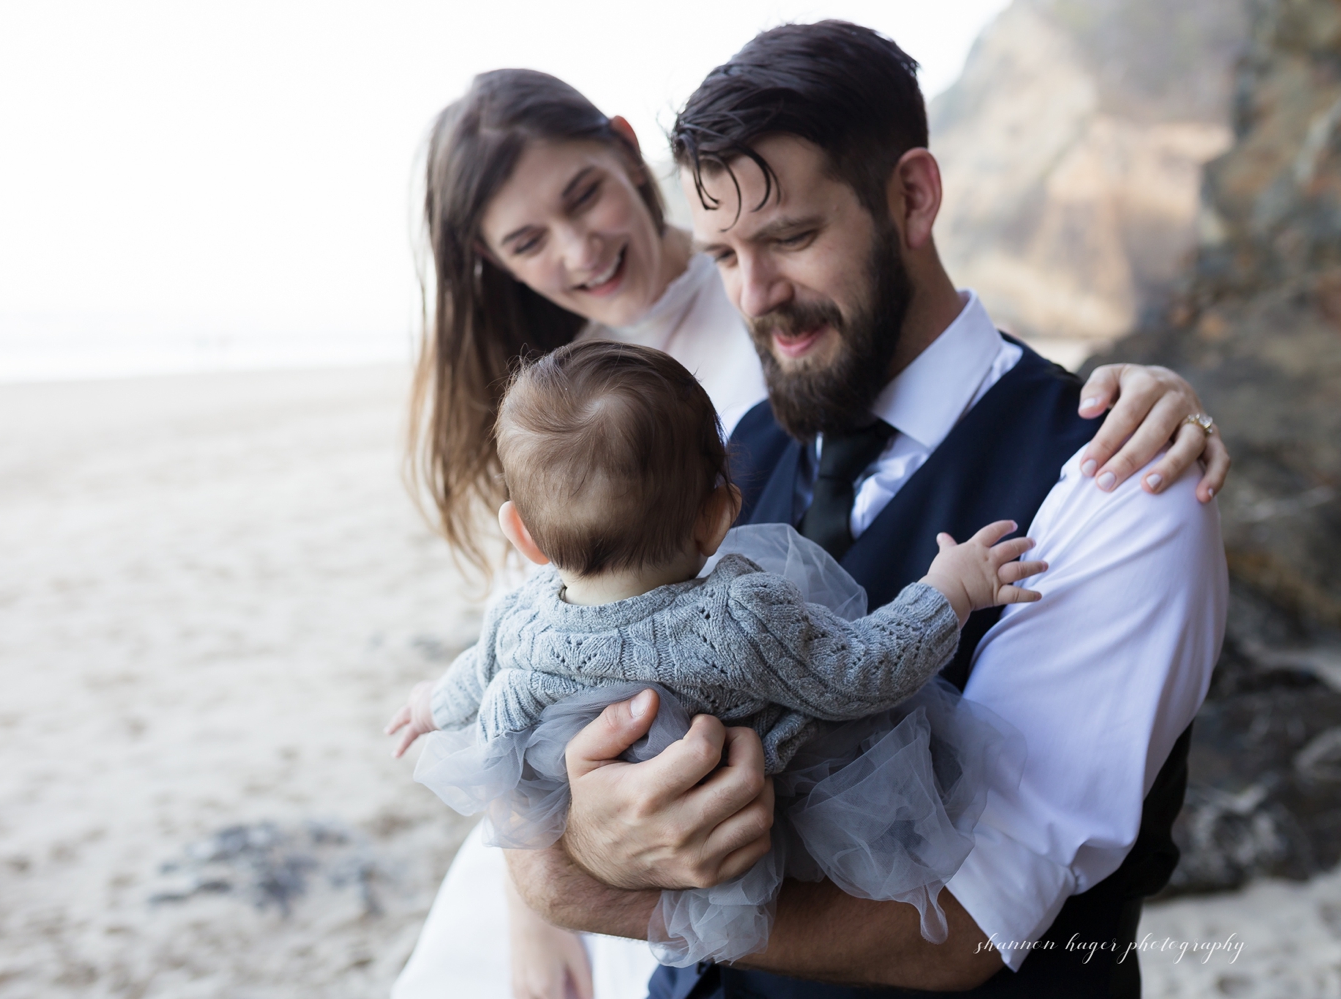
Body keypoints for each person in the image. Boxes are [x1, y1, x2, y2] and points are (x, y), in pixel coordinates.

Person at [395, 65, 1232, 999]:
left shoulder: (1111, 481)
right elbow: (526, 677)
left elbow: (966, 923)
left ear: (914, 197)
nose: (753, 295)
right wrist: (573, 848)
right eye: (722, 255)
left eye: (789, 237)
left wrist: (586, 888)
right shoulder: (733, 437)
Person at [390, 339, 1045, 966]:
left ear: (523, 537)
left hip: (656, 854)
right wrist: (949, 590)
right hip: (777, 828)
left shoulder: (519, 617)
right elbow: (865, 670)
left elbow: (473, 679)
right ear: (718, 516)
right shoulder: (739, 620)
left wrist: (427, 705)